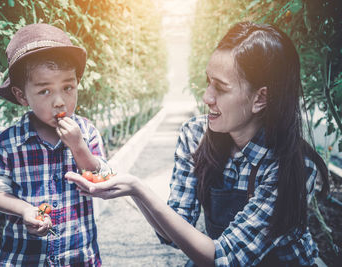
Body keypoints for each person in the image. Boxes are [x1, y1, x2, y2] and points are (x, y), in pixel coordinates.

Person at [65, 22, 329, 266]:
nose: (206, 97)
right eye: (207, 83)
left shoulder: (290, 166)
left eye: (221, 88)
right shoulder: (196, 134)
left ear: (260, 98)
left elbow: (223, 258)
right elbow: (172, 232)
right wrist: (135, 190)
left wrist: (139, 189)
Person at [0, 23, 110, 266]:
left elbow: (104, 181)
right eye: (45, 91)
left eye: (68, 87)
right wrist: (25, 210)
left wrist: (78, 147)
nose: (60, 101)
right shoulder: (9, 142)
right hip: (25, 258)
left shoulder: (87, 132)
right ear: (21, 95)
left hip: (79, 257)